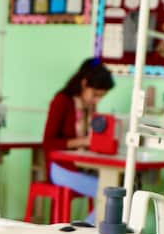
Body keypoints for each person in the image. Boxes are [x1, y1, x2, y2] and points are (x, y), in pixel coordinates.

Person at [41, 57, 115, 207]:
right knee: (111, 196)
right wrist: (84, 141)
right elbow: (48, 142)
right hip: (60, 169)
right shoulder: (62, 101)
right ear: (84, 83)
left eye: (101, 97)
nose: (97, 101)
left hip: (83, 168)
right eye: (95, 95)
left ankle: (86, 228)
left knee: (118, 192)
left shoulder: (89, 107)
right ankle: (89, 229)